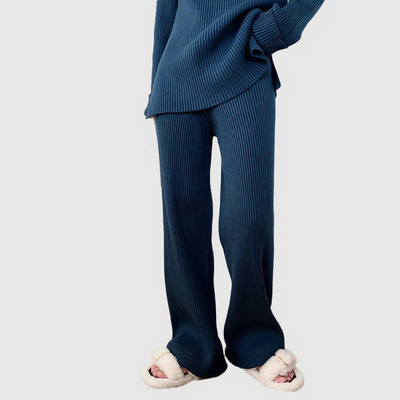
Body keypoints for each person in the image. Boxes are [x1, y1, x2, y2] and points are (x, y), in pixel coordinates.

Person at [141, 0, 325, 391]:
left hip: (246, 67)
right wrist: (157, 83)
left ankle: (255, 341)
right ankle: (193, 346)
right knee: (182, 220)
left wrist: (273, 29)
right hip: (176, 80)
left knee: (248, 217)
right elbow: (166, 9)